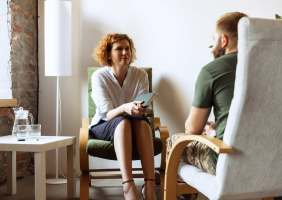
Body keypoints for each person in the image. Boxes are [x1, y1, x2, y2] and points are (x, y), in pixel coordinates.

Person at [167, 12, 248, 177]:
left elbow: (192, 128)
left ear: (224, 40)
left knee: (173, 142)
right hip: (271, 158)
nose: (213, 44)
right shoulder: (272, 66)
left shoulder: (211, 71)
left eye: (214, 39)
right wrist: (218, 125)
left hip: (227, 158)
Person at [89, 33, 157, 200]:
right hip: (105, 123)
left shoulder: (140, 75)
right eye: (119, 49)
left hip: (135, 122)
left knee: (141, 123)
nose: (125, 52)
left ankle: (149, 184)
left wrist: (140, 110)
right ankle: (128, 184)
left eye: (127, 48)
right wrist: (126, 107)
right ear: (108, 54)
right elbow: (108, 113)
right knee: (123, 122)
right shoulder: (99, 76)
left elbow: (142, 106)